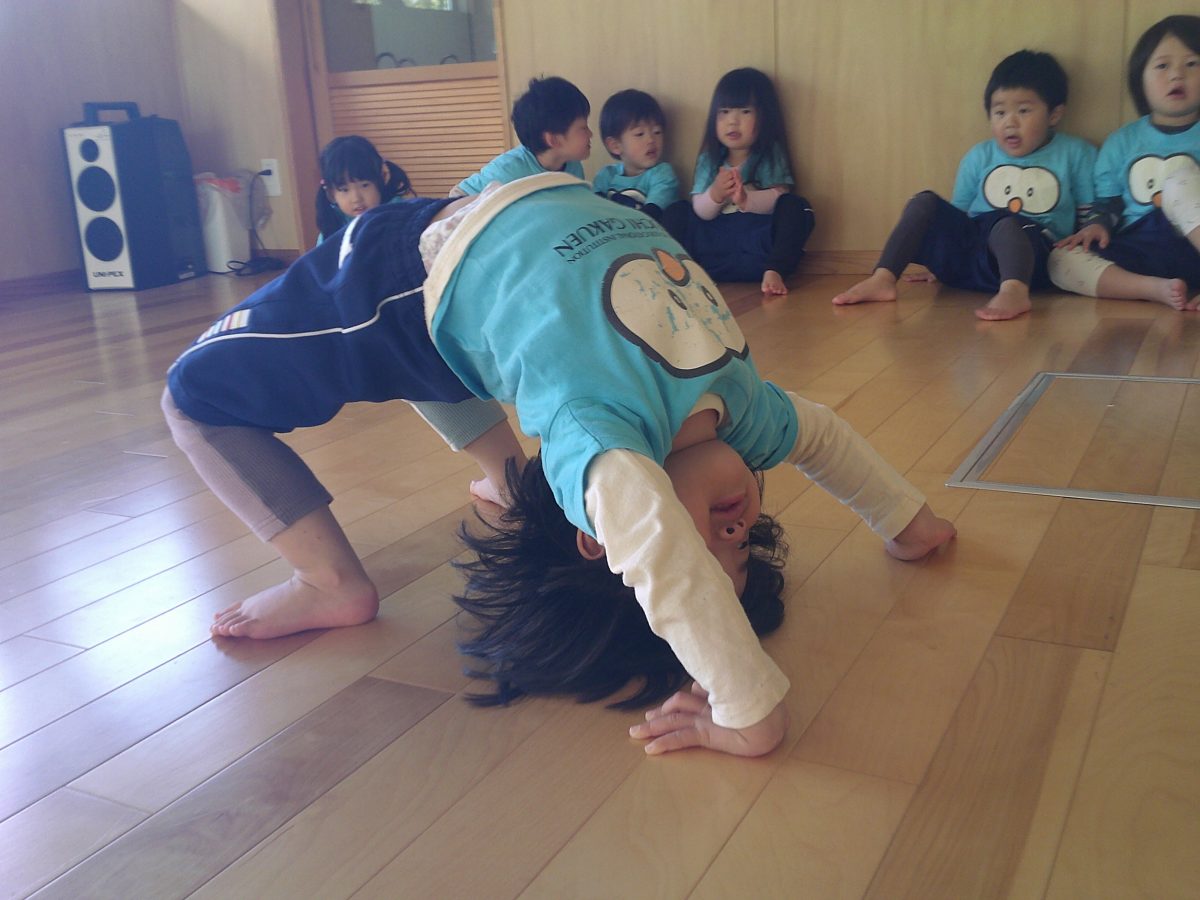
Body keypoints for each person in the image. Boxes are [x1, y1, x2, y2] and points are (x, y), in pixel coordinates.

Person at [164, 174, 955, 758]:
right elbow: (824, 439)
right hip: (496, 230)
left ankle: (327, 581)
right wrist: (907, 523)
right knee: (467, 348)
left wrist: (749, 710)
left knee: (191, 395)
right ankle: (507, 481)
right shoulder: (743, 413)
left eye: (715, 557)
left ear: (600, 537)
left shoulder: (603, 440)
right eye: (746, 544)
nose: (737, 530)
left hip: (392, 276)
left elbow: (657, 548)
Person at [832, 50, 1097, 321]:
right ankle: (883, 278)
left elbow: (1089, 216)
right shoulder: (979, 155)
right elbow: (958, 216)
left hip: (1032, 259)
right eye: (999, 112)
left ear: (1054, 114)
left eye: (1023, 111)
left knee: (1007, 223)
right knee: (924, 202)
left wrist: (1089, 241)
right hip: (972, 258)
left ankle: (1014, 291)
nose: (1010, 122)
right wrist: (940, 259)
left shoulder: (1075, 153)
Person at [1048, 15, 1200, 311]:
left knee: (1181, 181)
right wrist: (1097, 224)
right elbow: (1109, 202)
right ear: (1139, 79)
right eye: (1162, 66)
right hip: (1142, 249)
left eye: (1192, 64)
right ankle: (1154, 289)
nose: (1176, 75)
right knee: (1059, 258)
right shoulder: (1122, 141)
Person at [662, 67, 814, 297]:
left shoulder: (769, 154)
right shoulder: (709, 158)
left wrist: (746, 200)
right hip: (712, 249)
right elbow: (700, 210)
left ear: (764, 116)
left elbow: (779, 196)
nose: (732, 121)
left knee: (797, 206)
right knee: (676, 211)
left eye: (745, 111)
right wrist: (715, 194)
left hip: (757, 246)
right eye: (724, 112)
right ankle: (680, 272)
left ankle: (775, 271)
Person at [450, 76, 591, 196]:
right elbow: (457, 195)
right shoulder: (508, 171)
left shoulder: (573, 166)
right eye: (584, 128)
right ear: (553, 140)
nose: (591, 134)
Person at [592, 89, 679, 221]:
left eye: (657, 132)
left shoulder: (662, 174)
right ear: (615, 146)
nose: (651, 139)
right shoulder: (606, 176)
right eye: (639, 134)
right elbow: (593, 211)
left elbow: (653, 212)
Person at [315, 135, 414, 243]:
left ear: (383, 178)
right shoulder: (331, 229)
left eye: (364, 185)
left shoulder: (401, 215)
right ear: (331, 194)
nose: (356, 198)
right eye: (344, 190)